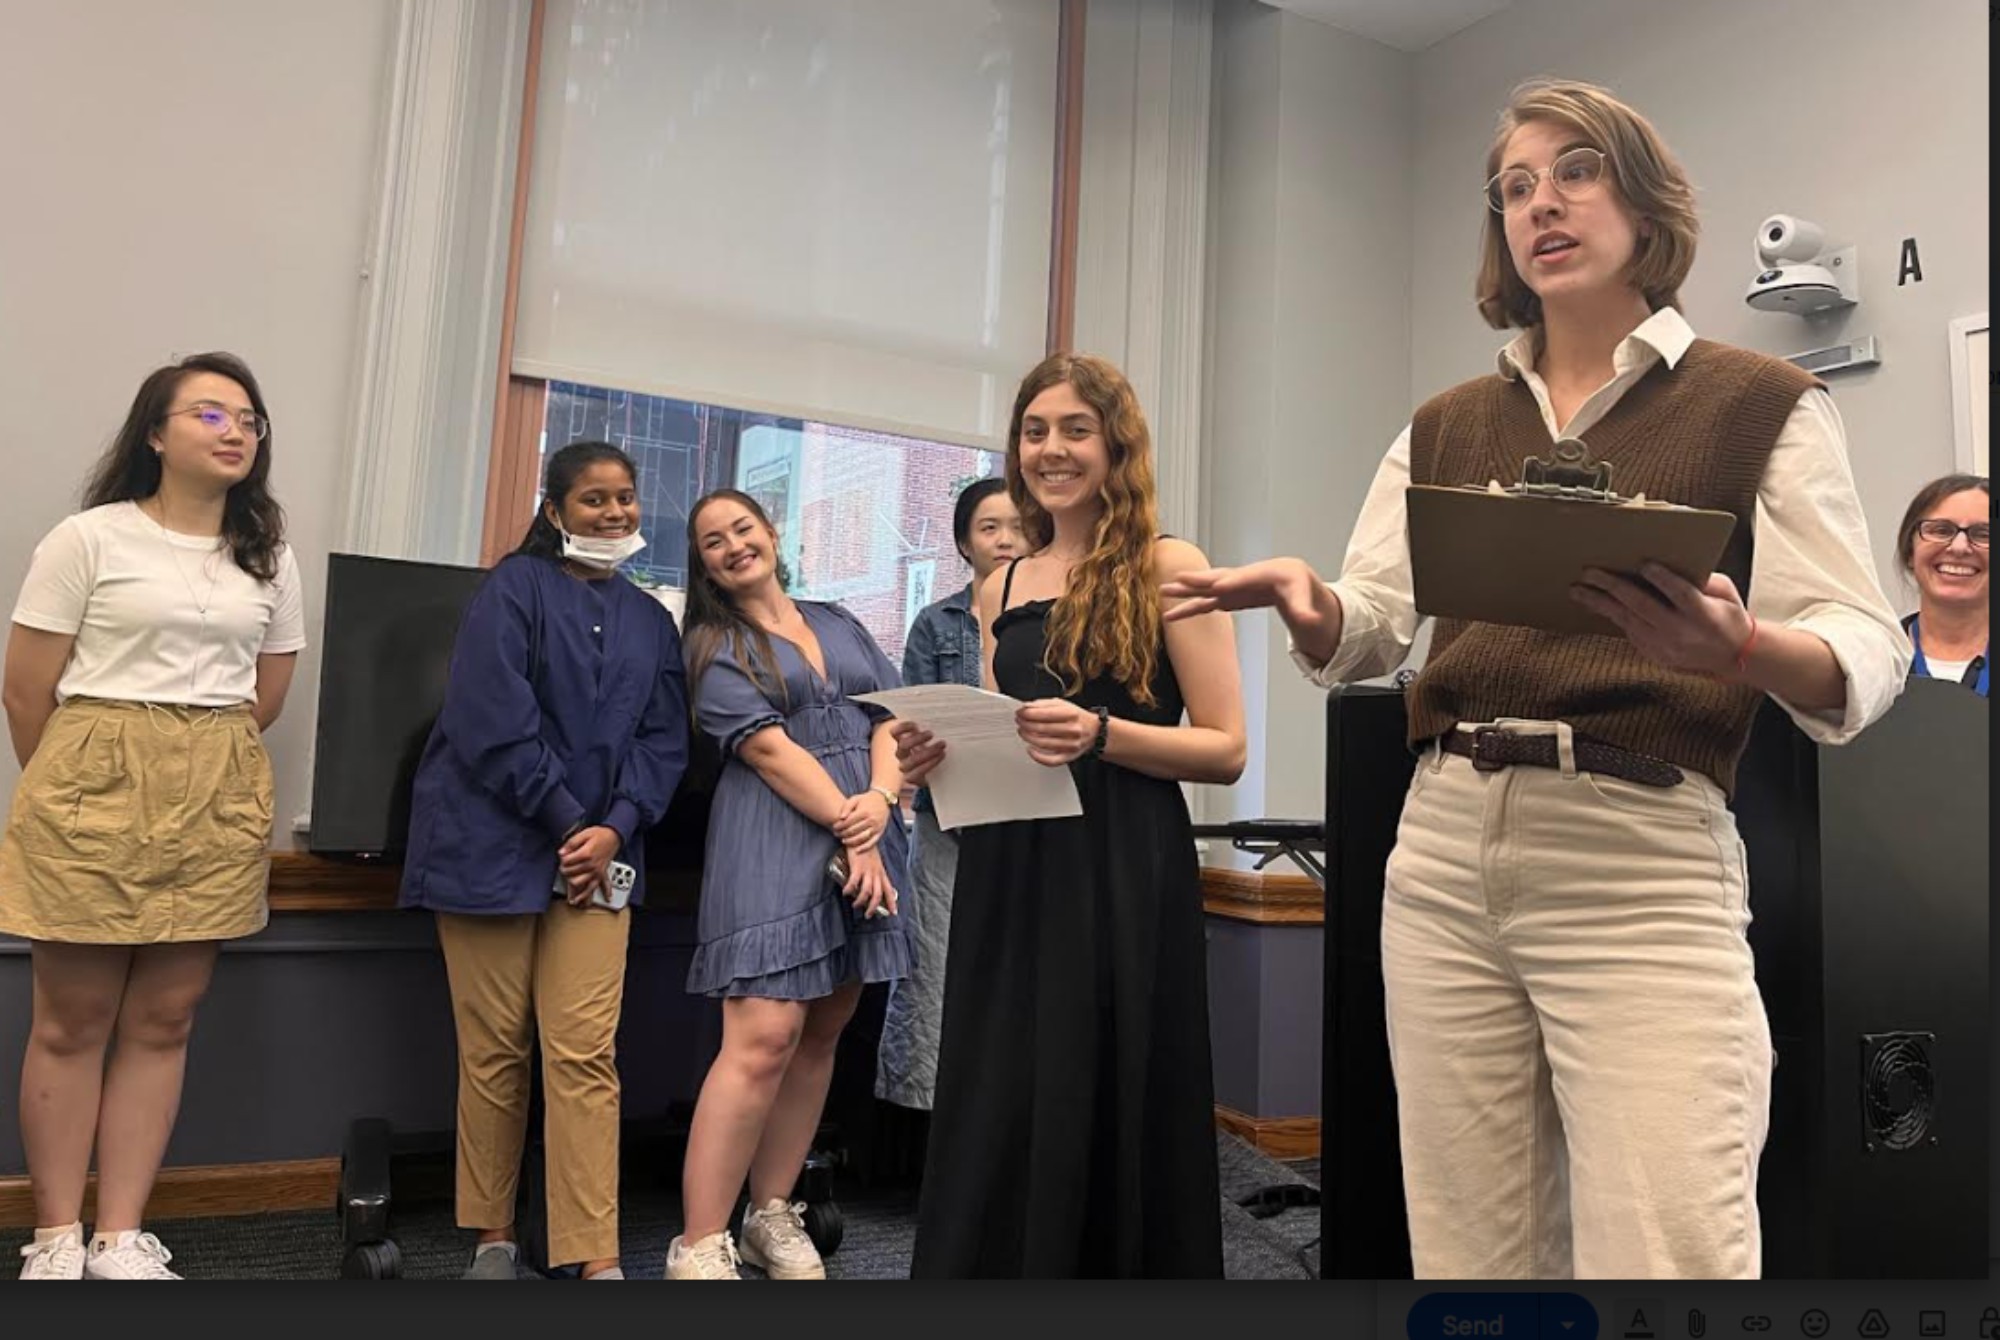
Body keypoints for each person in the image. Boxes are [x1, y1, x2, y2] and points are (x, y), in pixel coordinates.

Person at [1163, 79, 1912, 1280]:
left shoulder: (1761, 399)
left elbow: (1864, 645)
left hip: (1639, 850)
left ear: (1643, 200)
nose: (1538, 205)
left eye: (1572, 171)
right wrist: (1314, 609)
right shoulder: (1446, 421)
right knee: (1473, 1247)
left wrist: (1741, 651)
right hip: (1445, 844)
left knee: (1668, 1243)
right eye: (1512, 189)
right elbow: (1373, 626)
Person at [895, 352, 1247, 1278]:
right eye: (1035, 431)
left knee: (1110, 1079)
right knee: (1002, 1087)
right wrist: (935, 758)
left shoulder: (1171, 566)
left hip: (1125, 864)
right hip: (1011, 866)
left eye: (1074, 430)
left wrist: (1101, 734)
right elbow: (994, 736)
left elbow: (1225, 748)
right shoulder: (999, 585)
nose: (1052, 449)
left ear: (1115, 445)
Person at [2, 352, 306, 1281]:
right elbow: (25, 691)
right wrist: (88, 786)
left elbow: (268, 694)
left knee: (167, 1017)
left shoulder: (267, 555)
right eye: (211, 413)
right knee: (72, 1017)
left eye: (248, 419)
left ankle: (119, 1235)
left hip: (215, 785)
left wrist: (194, 767)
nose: (235, 431)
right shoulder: (89, 537)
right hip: (91, 781)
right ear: (155, 432)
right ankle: (56, 1236)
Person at [398, 440, 689, 1282]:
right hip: (490, 849)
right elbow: (489, 719)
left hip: (602, 860)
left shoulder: (650, 620)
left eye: (626, 498)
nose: (614, 513)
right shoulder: (511, 589)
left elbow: (664, 740)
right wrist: (571, 819)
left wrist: (616, 826)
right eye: (593, 500)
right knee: (493, 1051)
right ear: (555, 511)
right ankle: (493, 1236)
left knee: (585, 1054)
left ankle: (591, 1251)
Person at [668, 488, 911, 1281]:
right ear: (702, 563)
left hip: (865, 826)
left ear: (771, 533)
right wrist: (859, 829)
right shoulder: (711, 644)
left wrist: (879, 805)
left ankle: (770, 1214)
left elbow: (890, 718)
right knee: (762, 1038)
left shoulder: (836, 618)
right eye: (713, 541)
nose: (733, 545)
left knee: (823, 1031)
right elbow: (769, 753)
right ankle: (699, 1243)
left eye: (743, 528)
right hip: (776, 835)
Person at [875, 476, 1023, 1117]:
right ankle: (942, 1132)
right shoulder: (936, 622)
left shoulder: (1055, 617)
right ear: (965, 542)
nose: (1006, 539)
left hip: (1033, 824)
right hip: (950, 825)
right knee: (936, 975)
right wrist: (923, 755)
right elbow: (909, 728)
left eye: (1018, 526)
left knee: (1024, 980)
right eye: (989, 527)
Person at [1894, 474, 1987, 695]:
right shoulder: (1868, 661)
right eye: (1941, 530)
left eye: (1983, 534)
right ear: (1910, 552)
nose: (1959, 547)